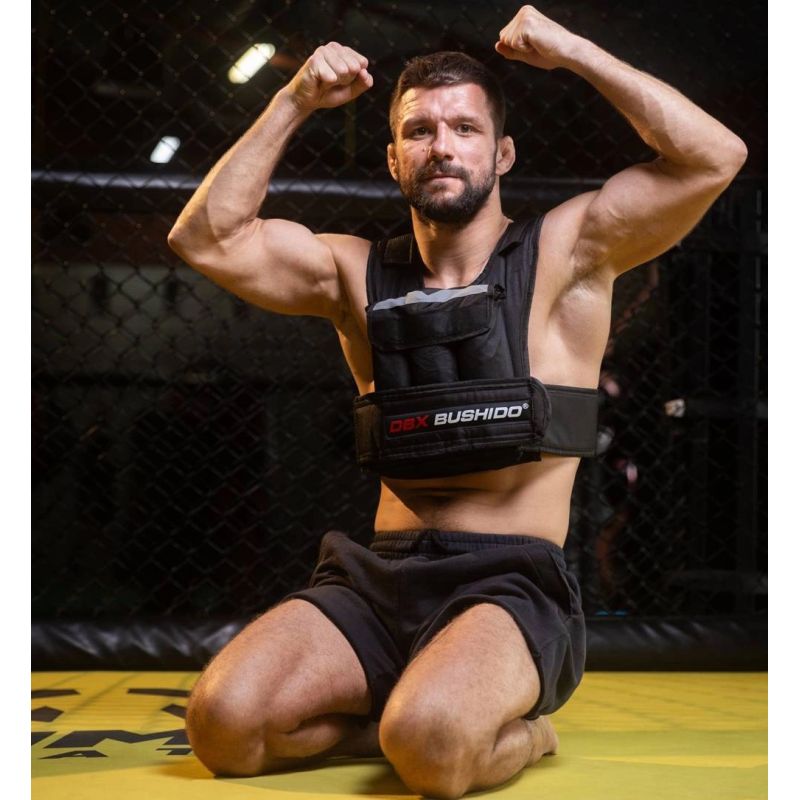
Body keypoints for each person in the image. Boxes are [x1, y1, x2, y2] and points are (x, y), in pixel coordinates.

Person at [167, 5, 746, 798]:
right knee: (223, 725)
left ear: (502, 152)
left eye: (465, 128)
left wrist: (573, 51)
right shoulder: (352, 273)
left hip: (511, 586)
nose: (442, 145)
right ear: (393, 158)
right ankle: (407, 711)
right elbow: (206, 238)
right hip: (376, 579)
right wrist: (294, 99)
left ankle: (513, 729)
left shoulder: (569, 253)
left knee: (432, 746)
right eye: (419, 130)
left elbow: (715, 156)